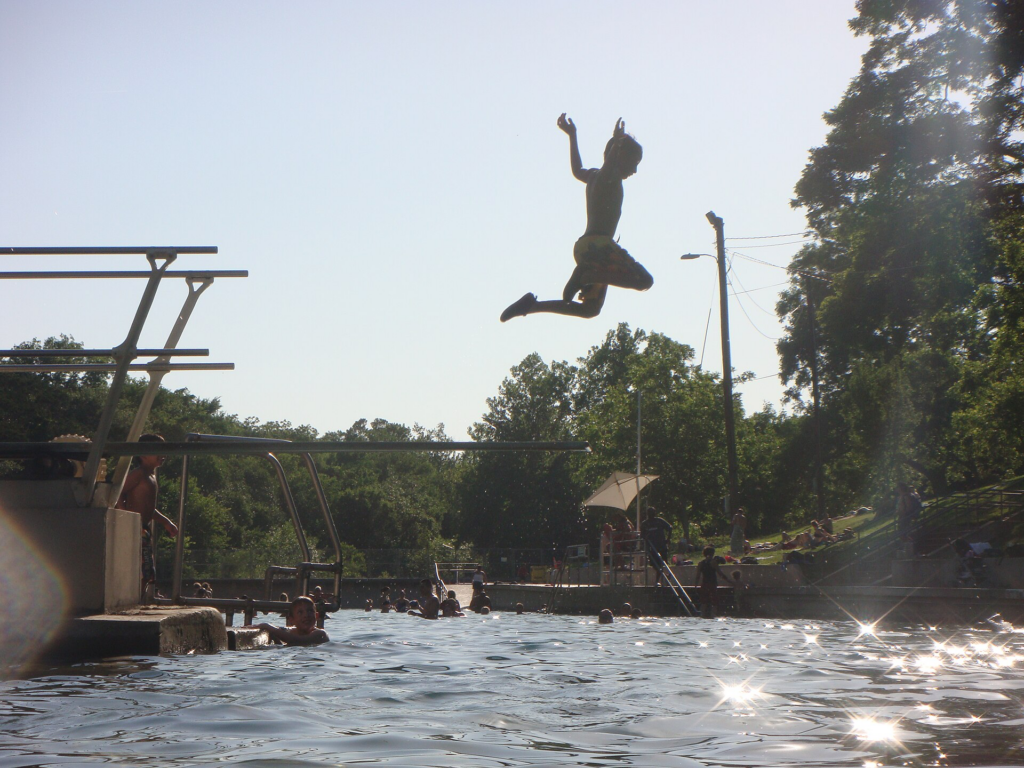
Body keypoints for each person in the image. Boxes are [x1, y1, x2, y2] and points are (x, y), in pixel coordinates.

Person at [500, 114, 652, 322]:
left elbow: (576, 169)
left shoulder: (592, 176)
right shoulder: (610, 177)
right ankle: (586, 275)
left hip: (586, 250)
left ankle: (532, 306)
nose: (635, 170)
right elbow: (611, 164)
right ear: (619, 157)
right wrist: (617, 143)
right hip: (599, 249)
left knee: (590, 310)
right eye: (634, 163)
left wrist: (573, 136)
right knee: (644, 281)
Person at [116, 433, 178, 600]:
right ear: (143, 454)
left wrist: (166, 522)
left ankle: (139, 599)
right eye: (158, 451)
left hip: (143, 529)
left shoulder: (151, 476)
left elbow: (149, 508)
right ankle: (133, 599)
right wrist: (128, 520)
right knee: (140, 568)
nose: (163, 455)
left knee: (147, 570)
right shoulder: (139, 474)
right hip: (135, 528)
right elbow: (118, 495)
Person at [251, 596, 329, 646]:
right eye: (300, 612)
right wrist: (275, 638)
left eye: (310, 611)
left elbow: (297, 640)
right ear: (291, 620)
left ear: (317, 616)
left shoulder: (320, 634)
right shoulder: (292, 632)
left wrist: (267, 626)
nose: (306, 615)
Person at [695, 546, 733, 619]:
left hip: (704, 584)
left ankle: (702, 616)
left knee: (704, 603)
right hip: (712, 584)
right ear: (712, 553)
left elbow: (698, 576)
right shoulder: (713, 562)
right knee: (714, 602)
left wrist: (696, 585)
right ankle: (713, 616)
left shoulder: (701, 563)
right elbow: (720, 573)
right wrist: (729, 581)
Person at [640, 507, 672, 585]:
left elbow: (670, 528)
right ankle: (664, 576)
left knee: (663, 563)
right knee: (654, 564)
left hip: (661, 546)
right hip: (652, 547)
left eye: (652, 513)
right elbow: (642, 535)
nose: (651, 515)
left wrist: (668, 539)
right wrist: (645, 538)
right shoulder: (645, 524)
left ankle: (658, 580)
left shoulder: (659, 521)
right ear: (647, 514)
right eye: (650, 513)